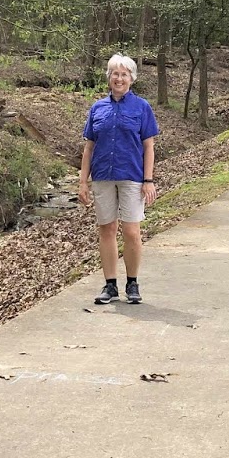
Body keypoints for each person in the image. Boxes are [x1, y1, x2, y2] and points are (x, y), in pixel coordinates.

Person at [78, 52, 159, 304]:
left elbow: (149, 146)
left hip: (132, 176)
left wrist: (148, 180)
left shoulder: (141, 107)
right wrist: (83, 181)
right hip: (102, 176)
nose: (119, 78)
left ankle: (132, 283)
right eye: (115, 74)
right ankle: (110, 285)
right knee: (107, 229)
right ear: (109, 78)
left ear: (131, 79)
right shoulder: (97, 108)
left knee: (132, 231)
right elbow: (89, 147)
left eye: (124, 74)